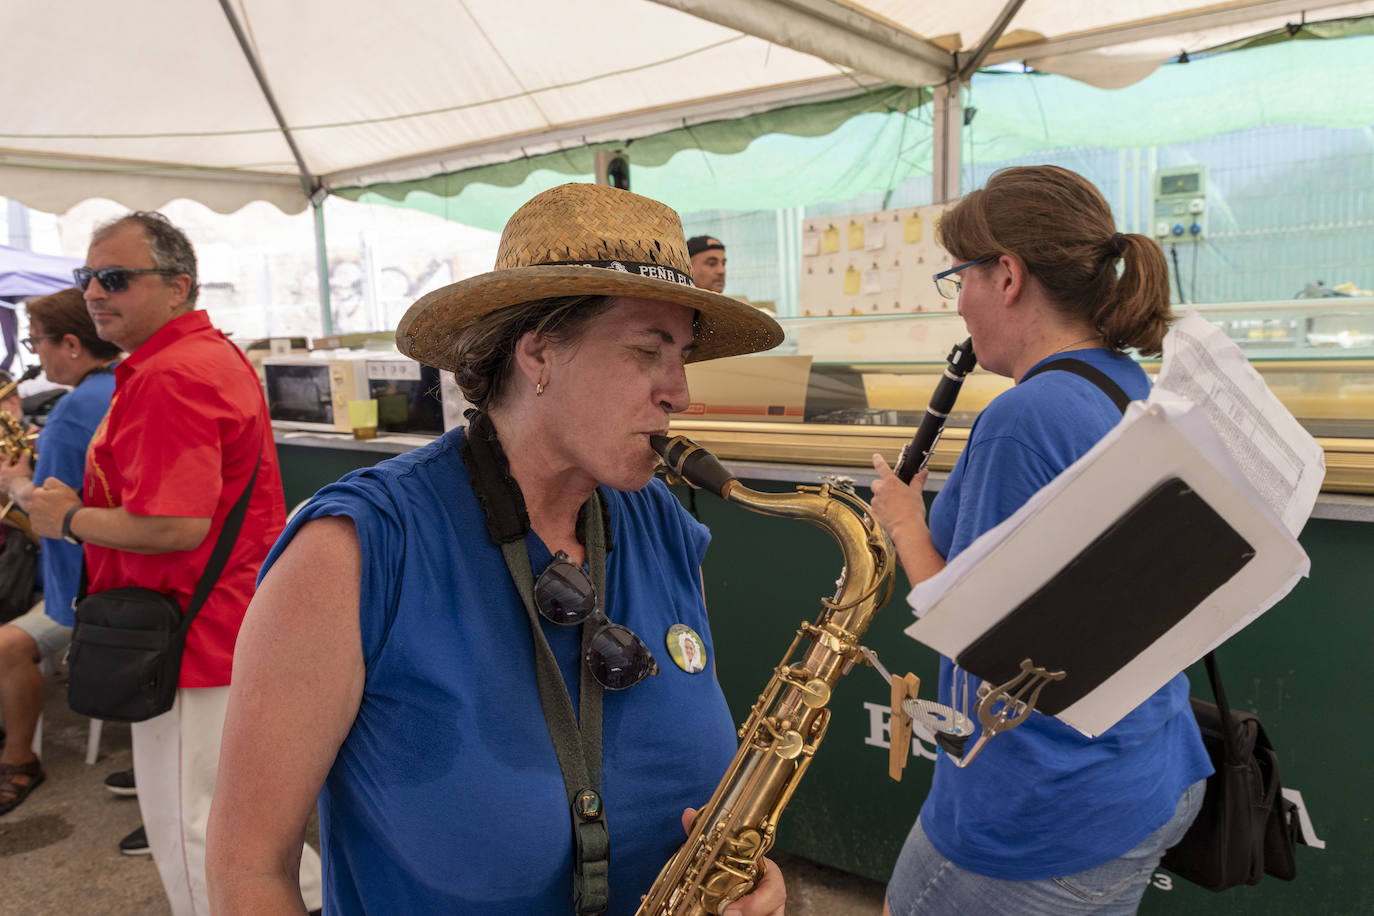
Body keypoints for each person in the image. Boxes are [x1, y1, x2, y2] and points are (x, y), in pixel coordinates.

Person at [207, 183, 787, 915]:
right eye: (648, 352)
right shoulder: (353, 550)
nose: (680, 393)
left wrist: (749, 881)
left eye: (683, 357)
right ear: (539, 354)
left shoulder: (664, 523)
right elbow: (246, 874)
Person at [868, 165, 1212, 916]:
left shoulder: (1025, 419)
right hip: (1149, 767)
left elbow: (975, 630)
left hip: (1040, 806)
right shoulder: (1126, 384)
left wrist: (901, 519)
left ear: (1008, 275)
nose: (959, 302)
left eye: (959, 277)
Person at [26, 213, 322, 914]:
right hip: (211, 625)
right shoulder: (199, 358)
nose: (96, 291)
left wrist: (64, 518)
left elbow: (175, 526)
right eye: (88, 277)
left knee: (198, 835)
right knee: (236, 821)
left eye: (117, 277)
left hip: (187, 635)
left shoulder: (172, 374)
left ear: (177, 284)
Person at [0, 290, 119, 816]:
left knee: (6, 645)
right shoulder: (124, 386)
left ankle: (18, 758)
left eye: (36, 342)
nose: (36, 356)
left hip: (85, 589)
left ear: (71, 344)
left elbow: (51, 511)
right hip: (118, 576)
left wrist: (17, 482)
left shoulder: (73, 410)